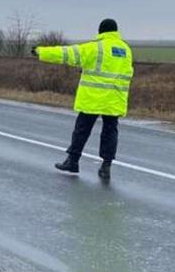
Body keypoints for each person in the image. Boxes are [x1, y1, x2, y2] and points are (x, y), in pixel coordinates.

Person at [33, 18, 133, 179]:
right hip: (114, 98)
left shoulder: (96, 47)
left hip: (93, 98)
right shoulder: (125, 50)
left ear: (100, 31)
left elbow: (66, 54)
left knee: (82, 130)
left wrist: (41, 52)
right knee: (110, 131)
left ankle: (73, 161)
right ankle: (106, 166)